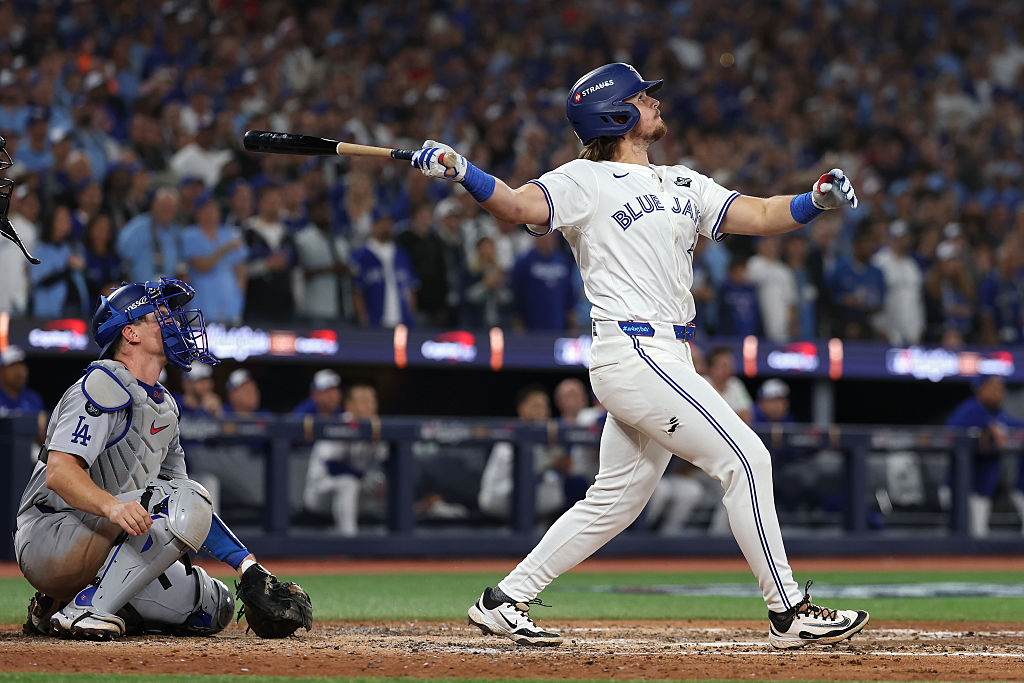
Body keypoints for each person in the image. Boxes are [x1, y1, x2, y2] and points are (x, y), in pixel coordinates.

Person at [411, 62, 867, 649]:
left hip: (668, 355)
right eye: (642, 96)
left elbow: (755, 213)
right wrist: (464, 171)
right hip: (633, 350)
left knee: (616, 499)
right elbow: (519, 207)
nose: (654, 101)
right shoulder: (585, 180)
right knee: (746, 460)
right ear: (616, 112)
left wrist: (813, 200)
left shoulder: (682, 182)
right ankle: (789, 611)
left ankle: (504, 600)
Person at [14, 277, 307, 640]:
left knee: (214, 607)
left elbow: (185, 504)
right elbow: (59, 473)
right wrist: (112, 508)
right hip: (52, 535)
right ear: (131, 333)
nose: (176, 322)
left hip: (107, 538)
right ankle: (85, 609)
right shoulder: (100, 384)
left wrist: (247, 566)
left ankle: (60, 606)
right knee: (181, 497)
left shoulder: (164, 405)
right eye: (162, 315)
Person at [477, 385, 579, 523]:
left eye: (544, 406)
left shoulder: (547, 436)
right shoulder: (511, 435)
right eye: (536, 406)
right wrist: (553, 463)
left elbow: (568, 467)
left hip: (533, 506)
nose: (542, 411)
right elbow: (524, 470)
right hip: (500, 498)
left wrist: (561, 463)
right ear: (522, 409)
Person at [302, 382, 388, 535]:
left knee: (386, 486)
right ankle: (349, 540)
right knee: (348, 483)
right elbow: (332, 466)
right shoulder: (338, 424)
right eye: (363, 400)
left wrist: (380, 482)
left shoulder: (375, 426)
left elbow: (385, 461)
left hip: (357, 489)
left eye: (372, 400)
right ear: (349, 405)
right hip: (321, 492)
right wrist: (365, 478)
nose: (370, 405)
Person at [946, 376, 1024, 537]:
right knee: (967, 538)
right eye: (994, 388)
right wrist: (984, 431)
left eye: (1001, 389)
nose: (1000, 393)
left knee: (978, 536)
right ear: (980, 389)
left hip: (982, 489)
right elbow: (950, 434)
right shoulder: (970, 410)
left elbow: (1016, 426)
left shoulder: (997, 414)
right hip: (962, 488)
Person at [0, 345, 45, 416]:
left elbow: (41, 425)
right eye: (13, 366)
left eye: (22, 366)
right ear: (1, 371)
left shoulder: (33, 399)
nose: (19, 371)